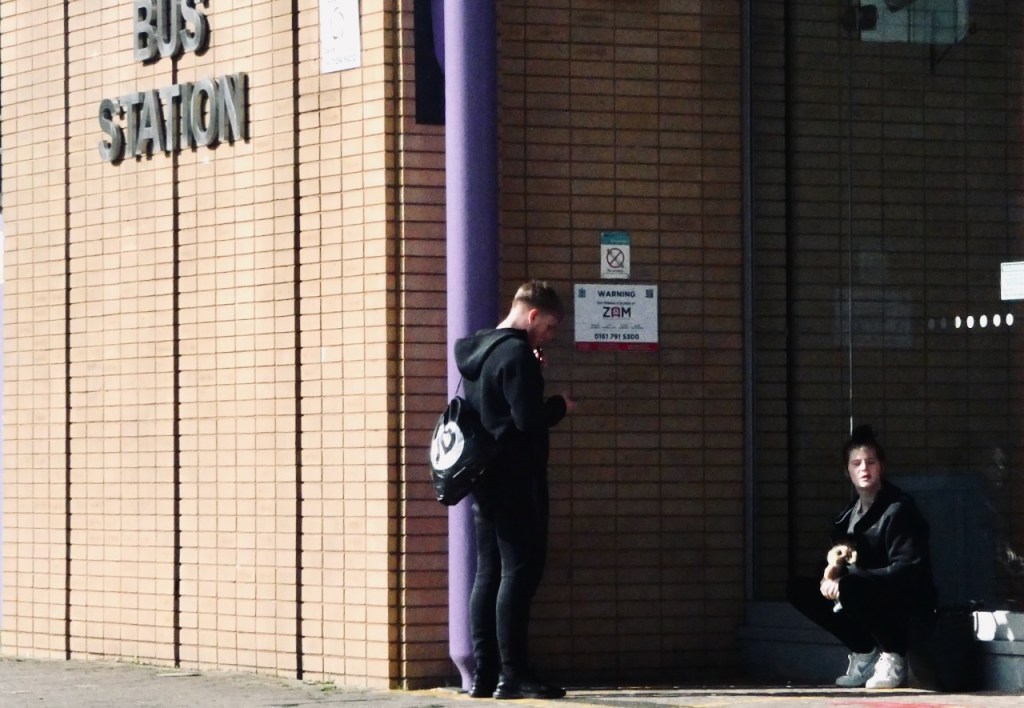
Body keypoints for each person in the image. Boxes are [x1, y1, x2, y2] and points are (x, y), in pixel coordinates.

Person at [454, 280, 575, 700]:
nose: (551, 335)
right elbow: (526, 421)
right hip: (517, 480)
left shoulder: (481, 351)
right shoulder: (516, 353)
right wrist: (559, 405)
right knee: (519, 575)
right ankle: (514, 673)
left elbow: (497, 410)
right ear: (534, 315)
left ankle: (484, 675)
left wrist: (532, 375)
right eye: (552, 326)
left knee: (487, 574)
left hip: (484, 479)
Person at [787, 424, 936, 689]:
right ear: (847, 471)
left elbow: (910, 568)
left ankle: (894, 654)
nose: (864, 469)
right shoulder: (847, 516)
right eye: (856, 463)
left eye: (870, 462)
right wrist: (828, 578)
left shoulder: (898, 509)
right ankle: (865, 652)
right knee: (800, 589)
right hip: (860, 592)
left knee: (852, 587)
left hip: (900, 596)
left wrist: (857, 580)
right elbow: (840, 559)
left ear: (881, 466)